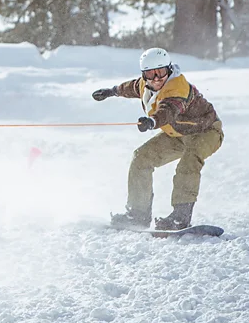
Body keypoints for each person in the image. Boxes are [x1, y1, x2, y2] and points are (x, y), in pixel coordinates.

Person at [91, 48, 223, 231]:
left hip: (206, 131)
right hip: (177, 134)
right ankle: (138, 214)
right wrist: (111, 91)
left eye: (160, 72)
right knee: (141, 158)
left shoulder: (178, 87)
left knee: (189, 162)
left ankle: (180, 217)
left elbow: (169, 110)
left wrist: (152, 122)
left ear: (168, 69)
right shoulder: (145, 85)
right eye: (150, 74)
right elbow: (132, 87)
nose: (156, 78)